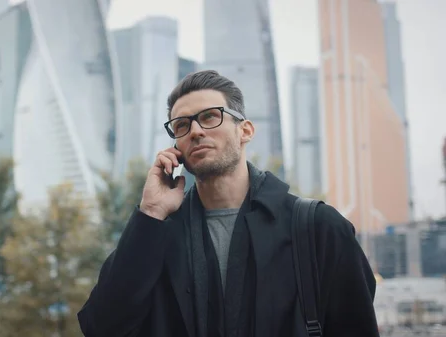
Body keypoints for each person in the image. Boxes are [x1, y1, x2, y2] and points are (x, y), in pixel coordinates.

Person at [77, 70, 379, 337]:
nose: (195, 131)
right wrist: (151, 213)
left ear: (245, 130)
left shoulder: (317, 227)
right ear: (176, 146)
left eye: (210, 116)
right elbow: (101, 327)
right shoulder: (158, 234)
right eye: (182, 125)